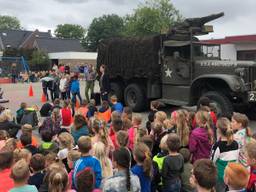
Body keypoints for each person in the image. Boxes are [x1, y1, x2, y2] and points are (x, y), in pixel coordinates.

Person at [211, 117, 239, 192]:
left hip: (220, 175)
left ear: (219, 130)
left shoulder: (217, 146)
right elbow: (236, 158)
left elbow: (212, 161)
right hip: (231, 173)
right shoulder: (236, 143)